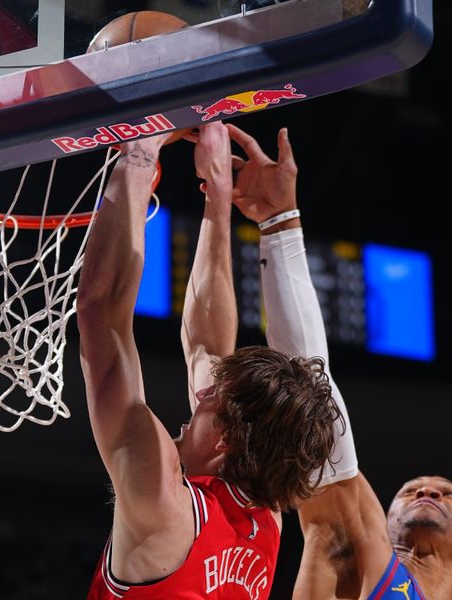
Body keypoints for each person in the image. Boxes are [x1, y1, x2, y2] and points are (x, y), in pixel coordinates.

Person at [76, 121, 343, 599]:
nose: (199, 393)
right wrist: (217, 190)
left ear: (224, 439)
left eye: (209, 399)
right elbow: (208, 348)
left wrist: (139, 151)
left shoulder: (164, 504)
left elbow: (103, 314)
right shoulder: (262, 522)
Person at [216, 123, 452, 599]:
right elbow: (311, 393)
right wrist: (279, 225)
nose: (427, 493)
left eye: (447, 494)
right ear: (386, 518)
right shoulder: (354, 543)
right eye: (411, 492)